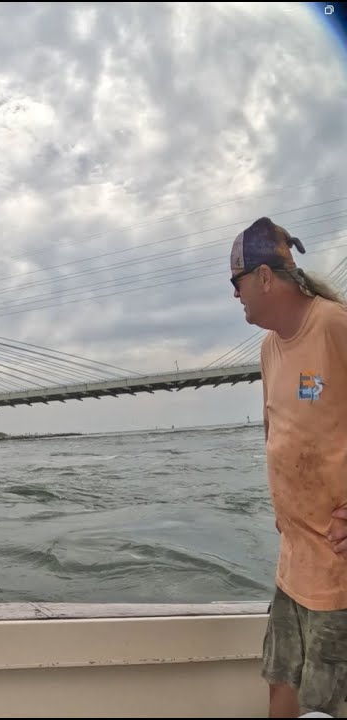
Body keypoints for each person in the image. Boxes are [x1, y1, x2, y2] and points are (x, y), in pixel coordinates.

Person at [228, 217, 347, 718]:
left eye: (235, 285)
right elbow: (275, 428)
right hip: (293, 562)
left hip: (338, 571)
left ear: (264, 277)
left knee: (325, 706)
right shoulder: (268, 348)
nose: (234, 297)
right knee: (281, 687)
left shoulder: (334, 325)